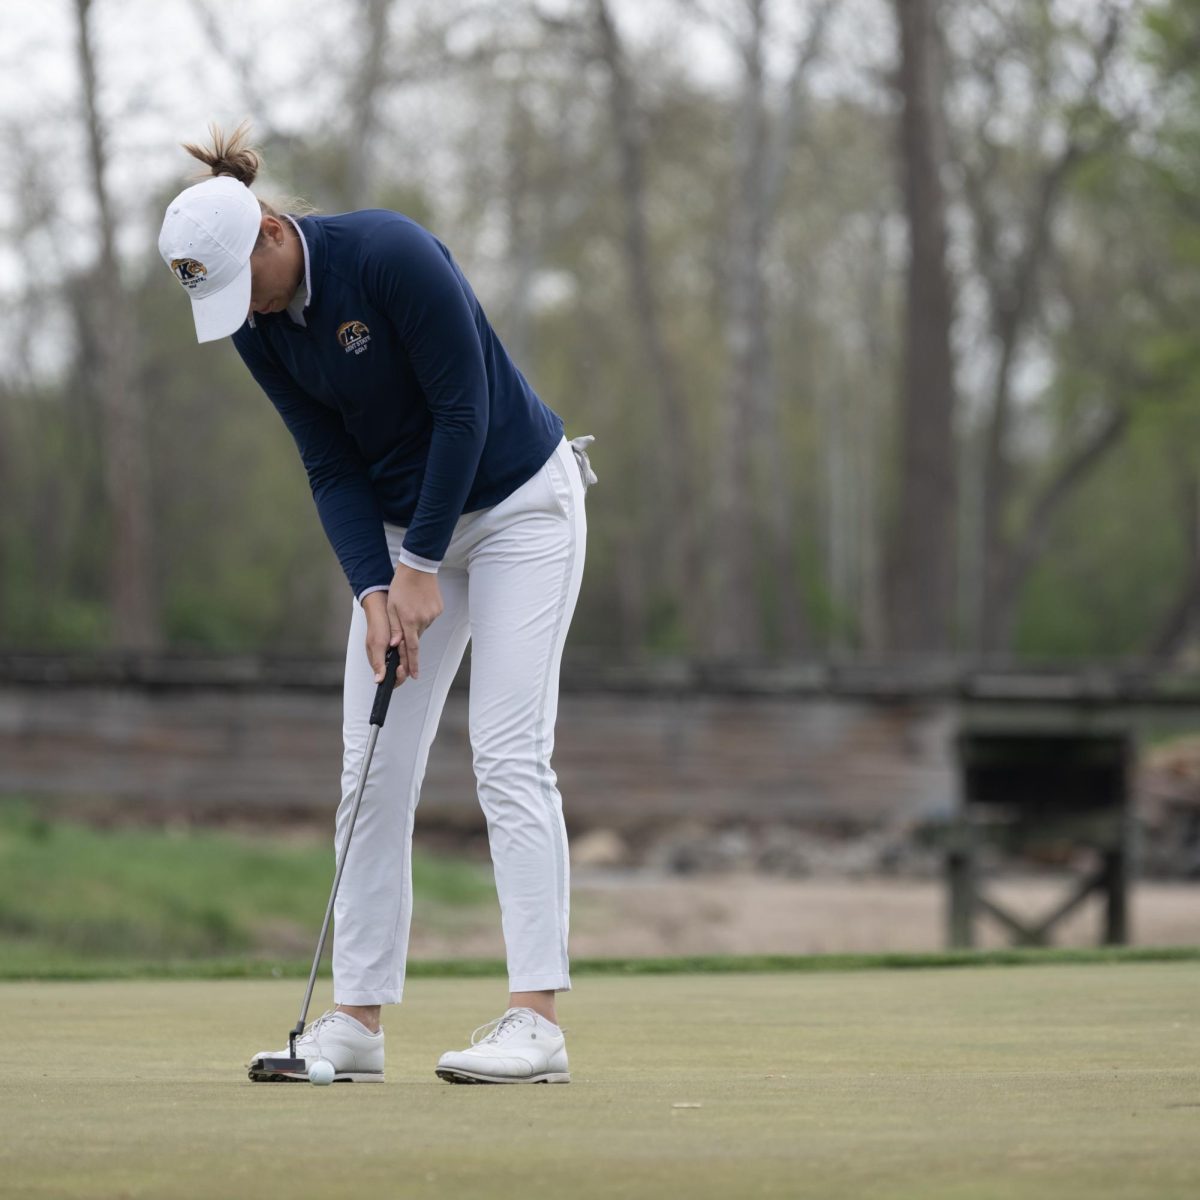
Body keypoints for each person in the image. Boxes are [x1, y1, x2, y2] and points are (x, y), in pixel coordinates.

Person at [158, 124, 593, 1084]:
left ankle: (537, 1022)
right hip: (402, 538)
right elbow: (329, 463)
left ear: (272, 233)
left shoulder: (389, 252)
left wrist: (422, 562)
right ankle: (354, 1023)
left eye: (247, 287)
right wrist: (372, 588)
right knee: (370, 766)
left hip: (523, 504)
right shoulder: (255, 325)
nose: (247, 312)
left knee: (509, 753)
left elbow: (463, 409)